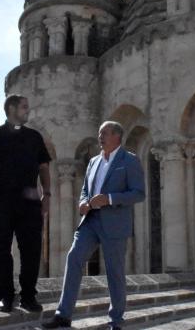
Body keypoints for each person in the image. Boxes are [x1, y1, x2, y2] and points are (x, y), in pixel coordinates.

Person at [42, 121, 145, 330]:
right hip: (90, 221)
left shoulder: (130, 160)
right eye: (99, 133)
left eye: (104, 133)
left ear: (117, 136)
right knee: (74, 258)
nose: (100, 137)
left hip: (114, 224)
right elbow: (85, 190)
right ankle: (63, 315)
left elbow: (139, 193)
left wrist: (109, 198)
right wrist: (83, 201)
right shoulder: (93, 162)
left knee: (114, 272)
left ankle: (116, 321)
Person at [0, 94, 51, 313]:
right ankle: (6, 296)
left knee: (31, 250)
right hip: (0, 203)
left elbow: (44, 169)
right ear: (11, 108)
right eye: (24, 107)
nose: (28, 110)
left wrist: (46, 196)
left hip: (29, 204)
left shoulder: (35, 137)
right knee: (1, 250)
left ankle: (28, 296)